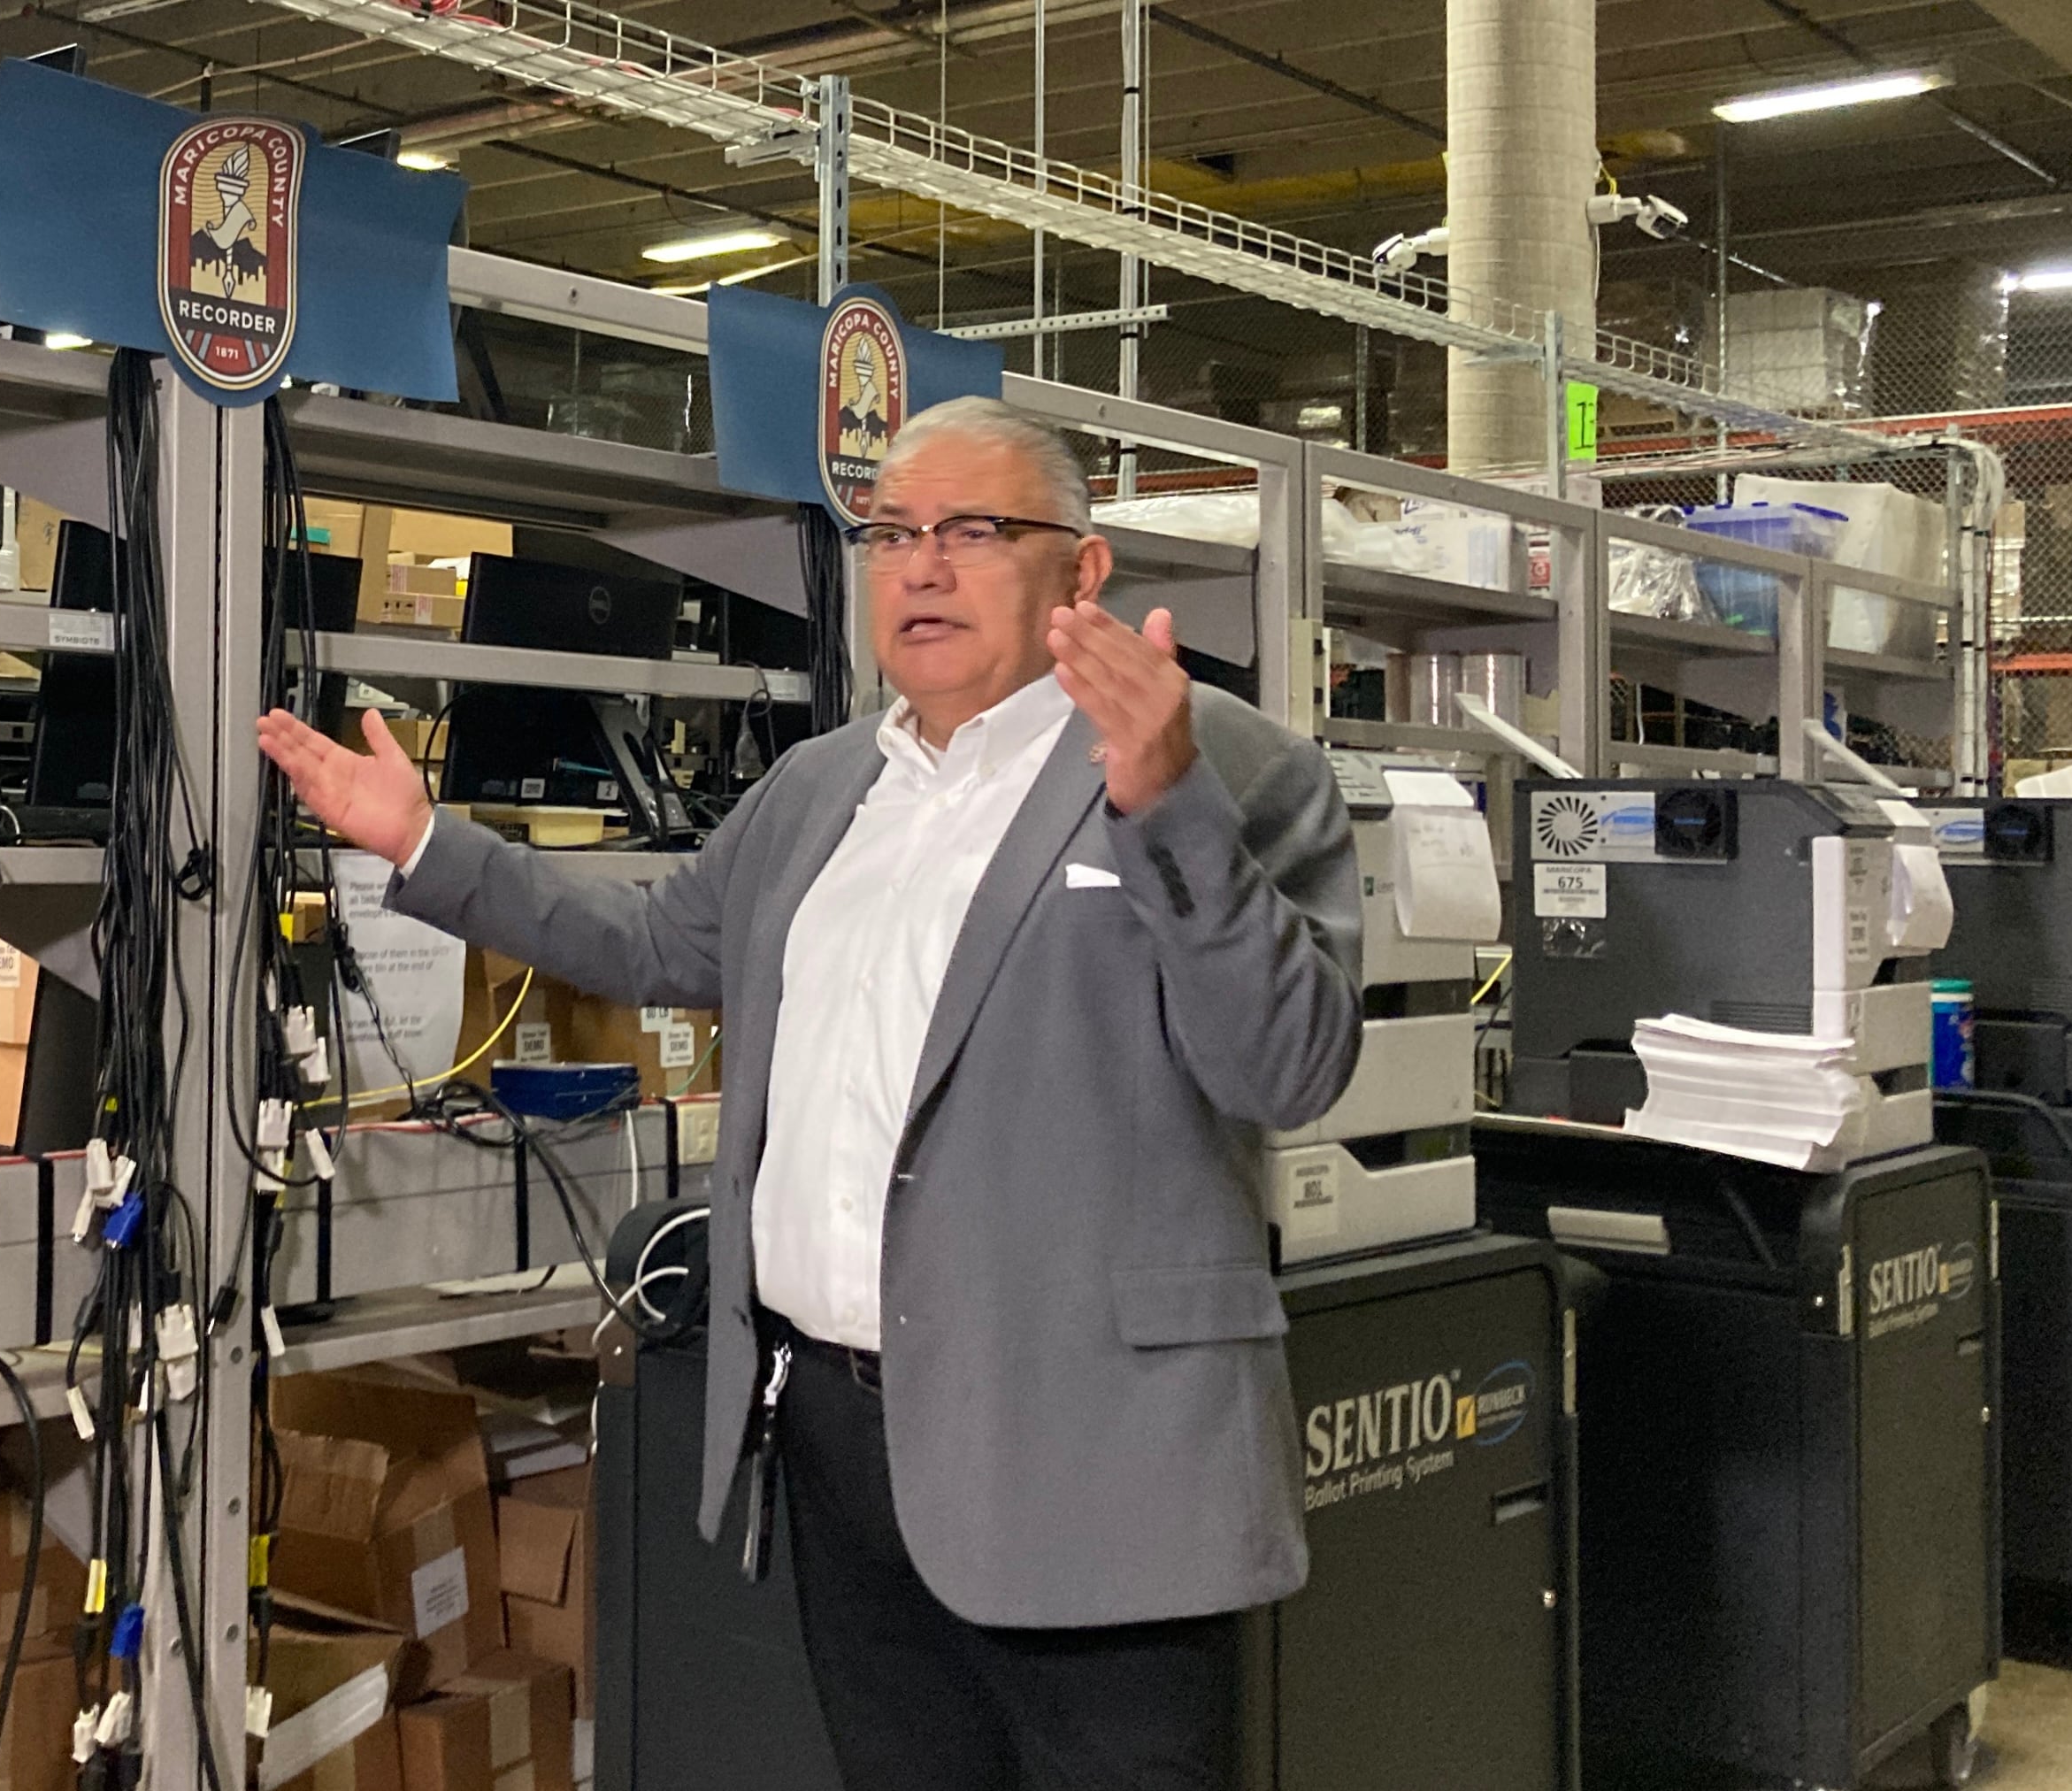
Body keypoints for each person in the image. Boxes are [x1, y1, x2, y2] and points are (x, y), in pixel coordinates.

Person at [257, 396, 1363, 1790]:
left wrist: (1169, 810)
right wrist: (426, 842)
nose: (923, 565)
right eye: (892, 533)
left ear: (1081, 570)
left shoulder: (1237, 766)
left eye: (975, 530)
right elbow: (658, 945)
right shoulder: (822, 786)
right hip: (845, 1440)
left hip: (1089, 1444)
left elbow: (1291, 1066)